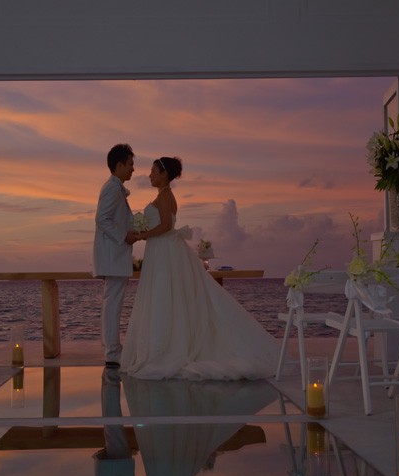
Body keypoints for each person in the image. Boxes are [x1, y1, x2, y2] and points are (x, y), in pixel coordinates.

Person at [121, 156, 280, 380]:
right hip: (161, 250)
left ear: (164, 174)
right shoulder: (162, 195)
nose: (150, 175)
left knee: (165, 294)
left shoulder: (166, 196)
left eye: (153, 171)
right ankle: (161, 343)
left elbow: (166, 225)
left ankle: (167, 348)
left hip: (164, 249)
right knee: (163, 296)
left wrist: (143, 235)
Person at [94, 144, 139, 367]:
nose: (133, 169)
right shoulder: (112, 188)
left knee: (113, 303)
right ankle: (112, 352)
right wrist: (124, 236)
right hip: (113, 255)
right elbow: (102, 219)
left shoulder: (115, 187)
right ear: (119, 165)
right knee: (112, 304)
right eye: (130, 164)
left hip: (116, 255)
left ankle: (112, 349)